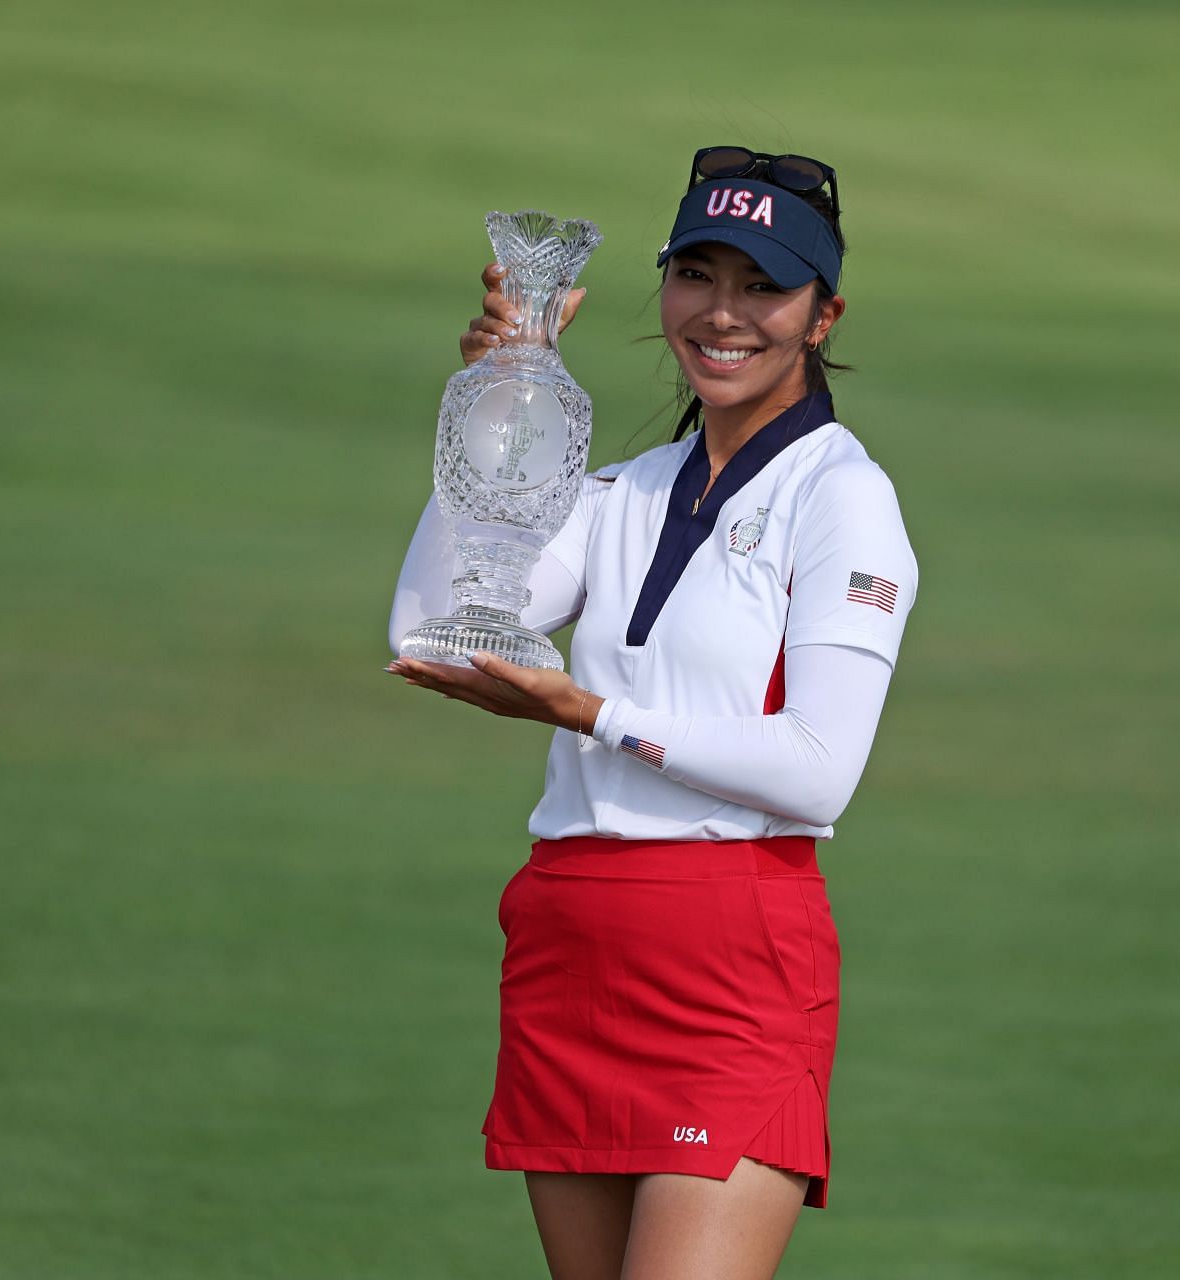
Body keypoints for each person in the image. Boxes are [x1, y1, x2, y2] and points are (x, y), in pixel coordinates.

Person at [384, 146, 917, 1280]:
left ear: (824, 314)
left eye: (763, 286)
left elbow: (819, 767)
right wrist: (493, 406)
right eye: (696, 274)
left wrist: (590, 709)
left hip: (730, 959)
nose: (723, 314)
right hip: (570, 938)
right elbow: (434, 626)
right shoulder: (625, 487)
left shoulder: (844, 498)